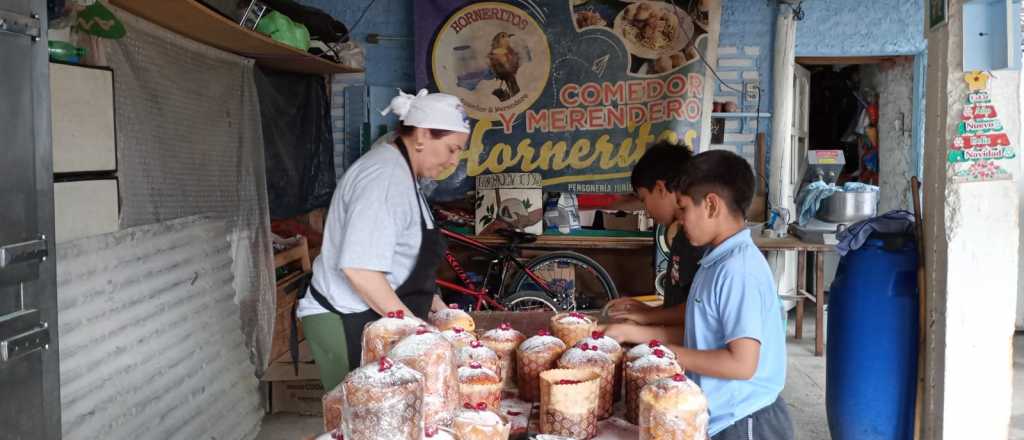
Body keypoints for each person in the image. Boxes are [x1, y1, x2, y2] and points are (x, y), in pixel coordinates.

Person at [608, 150, 793, 439]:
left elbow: (742, 364)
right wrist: (633, 333)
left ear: (710, 205)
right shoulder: (714, 260)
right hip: (719, 415)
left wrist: (665, 355)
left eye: (683, 209)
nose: (679, 220)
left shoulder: (738, 270)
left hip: (745, 421)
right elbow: (700, 332)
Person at [296, 89, 470, 391]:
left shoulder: (405, 175)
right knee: (363, 420)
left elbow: (405, 261)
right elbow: (360, 271)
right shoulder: (384, 178)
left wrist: (438, 309)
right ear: (423, 135)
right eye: (451, 149)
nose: (453, 161)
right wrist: (415, 330)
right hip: (348, 319)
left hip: (376, 317)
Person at [601, 142, 703, 343]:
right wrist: (646, 311)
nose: (646, 211)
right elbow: (684, 306)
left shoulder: (696, 239)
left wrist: (645, 319)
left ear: (660, 188)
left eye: (644, 199)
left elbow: (698, 314)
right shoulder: (681, 234)